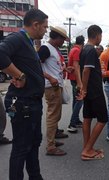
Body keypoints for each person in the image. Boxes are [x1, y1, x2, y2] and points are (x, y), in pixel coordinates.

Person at [0, 9, 48, 180]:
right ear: (35, 25)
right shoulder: (17, 38)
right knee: (22, 148)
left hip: (31, 103)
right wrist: (18, 75)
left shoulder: (28, 42)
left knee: (33, 143)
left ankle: (36, 176)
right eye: (44, 27)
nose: (45, 30)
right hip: (23, 103)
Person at [38, 26, 70, 156]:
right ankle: (50, 146)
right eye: (62, 39)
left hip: (56, 85)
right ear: (57, 38)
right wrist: (50, 77)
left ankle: (53, 138)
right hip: (51, 86)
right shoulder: (45, 48)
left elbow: (52, 67)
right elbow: (35, 66)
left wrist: (65, 70)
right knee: (52, 116)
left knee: (56, 114)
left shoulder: (54, 49)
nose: (63, 42)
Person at [79, 25, 107, 160]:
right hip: (94, 90)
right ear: (97, 35)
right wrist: (84, 89)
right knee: (103, 119)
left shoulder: (84, 49)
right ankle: (88, 149)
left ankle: (87, 147)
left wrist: (83, 89)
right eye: (101, 36)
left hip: (89, 91)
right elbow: (86, 71)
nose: (101, 38)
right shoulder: (91, 50)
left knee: (87, 118)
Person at [67, 35, 85, 133]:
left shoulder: (73, 49)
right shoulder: (77, 50)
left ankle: (76, 120)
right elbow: (76, 66)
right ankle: (72, 123)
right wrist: (79, 82)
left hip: (73, 78)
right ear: (83, 43)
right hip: (75, 79)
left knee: (76, 100)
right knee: (79, 100)